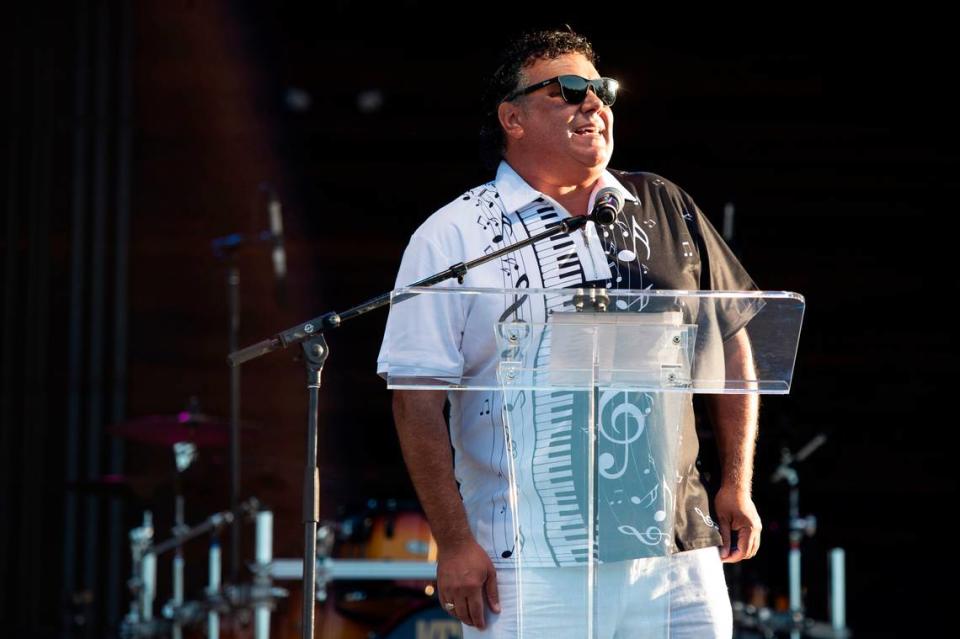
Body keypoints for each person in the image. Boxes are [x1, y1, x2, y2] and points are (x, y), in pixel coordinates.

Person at [377, 28, 761, 638]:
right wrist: (453, 542)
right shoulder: (453, 237)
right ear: (512, 118)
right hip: (528, 559)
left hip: (676, 550)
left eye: (601, 89)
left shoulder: (663, 206)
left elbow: (731, 342)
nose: (595, 103)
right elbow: (416, 400)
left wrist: (737, 484)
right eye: (569, 90)